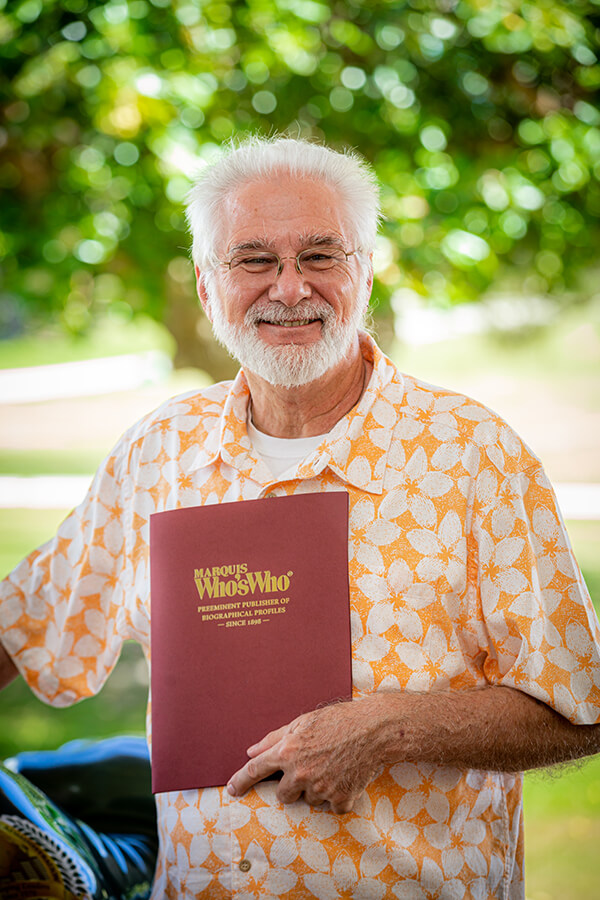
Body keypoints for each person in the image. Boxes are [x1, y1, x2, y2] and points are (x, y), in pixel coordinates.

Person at [1, 135, 600, 900]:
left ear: (366, 270)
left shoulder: (472, 454)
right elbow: (24, 622)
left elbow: (578, 707)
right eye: (253, 260)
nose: (289, 288)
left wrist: (387, 728)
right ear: (206, 283)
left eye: (321, 255)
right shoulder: (160, 451)